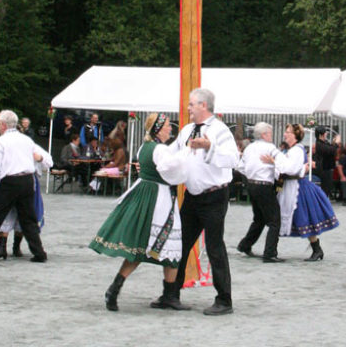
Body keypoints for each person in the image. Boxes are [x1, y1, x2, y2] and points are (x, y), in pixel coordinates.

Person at [89, 113, 189, 312]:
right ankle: (168, 295)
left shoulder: (146, 146)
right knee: (170, 242)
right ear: (159, 128)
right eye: (168, 125)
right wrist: (187, 155)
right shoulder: (160, 149)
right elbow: (170, 168)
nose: (171, 128)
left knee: (144, 246)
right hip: (158, 198)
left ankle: (116, 288)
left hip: (145, 193)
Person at [157, 88, 239, 316]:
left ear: (204, 105)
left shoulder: (221, 131)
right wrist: (152, 152)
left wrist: (209, 147)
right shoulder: (186, 130)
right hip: (192, 197)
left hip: (214, 196)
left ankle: (224, 300)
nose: (188, 108)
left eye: (192, 104)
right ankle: (171, 294)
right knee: (179, 244)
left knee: (214, 247)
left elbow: (233, 159)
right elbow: (171, 154)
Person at [0, 110, 48, 263]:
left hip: (9, 182)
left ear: (2, 125)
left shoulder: (1, 142)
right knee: (28, 218)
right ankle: (39, 253)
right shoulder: (26, 140)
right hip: (27, 180)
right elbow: (37, 158)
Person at [262, 123, 339, 261]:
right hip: (288, 186)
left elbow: (289, 169)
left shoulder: (297, 150)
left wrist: (274, 162)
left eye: (288, 132)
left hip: (298, 188)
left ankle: (315, 249)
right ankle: (272, 250)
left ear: (295, 135)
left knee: (304, 218)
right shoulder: (290, 150)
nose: (285, 134)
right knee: (283, 217)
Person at [0, 142, 53, 260]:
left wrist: (40, 158)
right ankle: (1, 248)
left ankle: (16, 247)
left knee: (24, 215)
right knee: (5, 214)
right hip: (7, 183)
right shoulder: (4, 147)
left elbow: (49, 162)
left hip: (26, 184)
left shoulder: (32, 147)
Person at [236, 122, 282, 263]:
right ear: (264, 134)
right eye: (269, 133)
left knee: (259, 218)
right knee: (274, 221)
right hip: (264, 185)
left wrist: (251, 174)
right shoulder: (270, 148)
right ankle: (269, 253)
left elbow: (240, 166)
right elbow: (282, 164)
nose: (271, 136)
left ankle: (245, 245)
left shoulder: (249, 148)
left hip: (252, 184)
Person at [314, 126, 340, 198]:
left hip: (327, 168)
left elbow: (330, 149)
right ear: (320, 135)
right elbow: (331, 150)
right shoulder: (319, 144)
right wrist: (337, 143)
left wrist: (334, 143)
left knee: (327, 189)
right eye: (325, 133)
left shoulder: (323, 143)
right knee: (325, 190)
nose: (326, 135)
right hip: (324, 170)